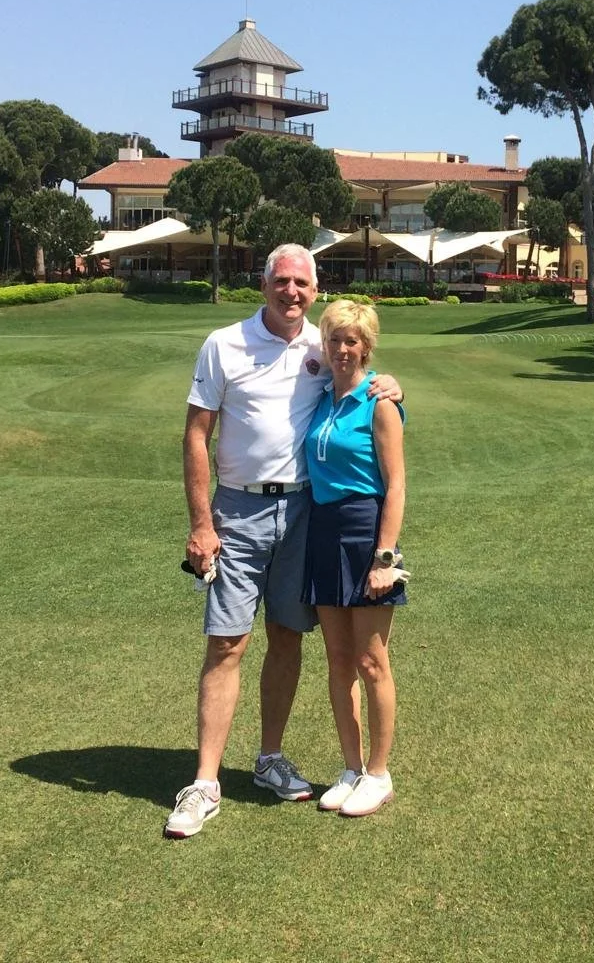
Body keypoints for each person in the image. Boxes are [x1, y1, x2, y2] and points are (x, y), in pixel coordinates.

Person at [164, 244, 399, 839]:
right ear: (263, 283)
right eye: (281, 280)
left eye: (301, 282)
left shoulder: (319, 351)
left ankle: (269, 759)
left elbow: (361, 378)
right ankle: (206, 783)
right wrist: (201, 522)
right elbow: (197, 435)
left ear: (314, 291)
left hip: (303, 514)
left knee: (287, 636)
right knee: (227, 643)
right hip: (238, 512)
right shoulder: (225, 344)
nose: (290, 291)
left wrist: (390, 386)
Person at [304, 300, 407, 818]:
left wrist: (385, 557)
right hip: (323, 533)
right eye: (334, 340)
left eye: (352, 341)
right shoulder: (321, 399)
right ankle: (350, 767)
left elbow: (396, 485)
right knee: (339, 661)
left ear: (366, 347)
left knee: (371, 661)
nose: (342, 350)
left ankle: (379, 773)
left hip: (366, 533)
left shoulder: (378, 402)